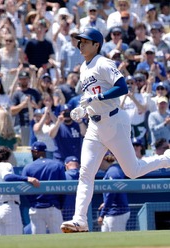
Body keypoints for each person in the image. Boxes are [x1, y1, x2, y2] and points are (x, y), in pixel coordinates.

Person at [60, 27, 170, 233]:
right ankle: (79, 220)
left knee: (133, 171)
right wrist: (82, 109)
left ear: (96, 44)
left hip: (114, 122)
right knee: (85, 173)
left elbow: (122, 87)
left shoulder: (103, 62)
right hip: (95, 126)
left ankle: (166, 159)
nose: (80, 44)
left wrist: (98, 98)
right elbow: (92, 98)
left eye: (85, 41)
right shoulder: (83, 68)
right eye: (79, 41)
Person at [0, 145, 40, 235]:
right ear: (7, 156)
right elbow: (7, 177)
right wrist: (27, 179)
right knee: (16, 240)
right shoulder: (5, 165)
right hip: (9, 207)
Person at [21, 141, 66, 234]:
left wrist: (32, 202)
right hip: (53, 208)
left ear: (36, 152)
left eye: (32, 152)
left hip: (36, 208)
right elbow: (63, 189)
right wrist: (60, 205)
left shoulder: (28, 167)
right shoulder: (57, 165)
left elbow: (23, 190)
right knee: (59, 241)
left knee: (38, 242)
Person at [97, 152, 130, 232]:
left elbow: (112, 193)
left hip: (117, 212)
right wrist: (105, 204)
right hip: (111, 211)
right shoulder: (112, 170)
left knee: (117, 240)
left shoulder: (113, 171)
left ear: (103, 160)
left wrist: (102, 213)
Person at [62, 156, 80, 221]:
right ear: (79, 165)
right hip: (82, 212)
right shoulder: (84, 176)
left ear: (66, 166)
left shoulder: (63, 176)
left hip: (65, 212)